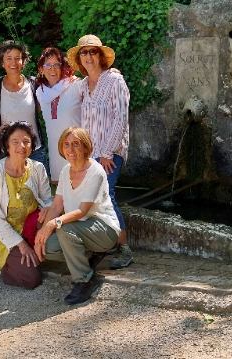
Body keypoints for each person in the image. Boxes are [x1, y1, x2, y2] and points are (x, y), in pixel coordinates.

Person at [67, 34, 133, 269]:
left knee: (108, 195)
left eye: (92, 51)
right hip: (90, 154)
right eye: (83, 53)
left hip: (110, 152)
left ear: (101, 56)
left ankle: (124, 248)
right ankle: (101, 245)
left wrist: (107, 152)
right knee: (90, 199)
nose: (88, 56)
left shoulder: (115, 81)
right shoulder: (83, 85)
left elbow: (121, 118)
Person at [35, 127, 119, 305]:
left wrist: (53, 223)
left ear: (85, 147)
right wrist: (42, 232)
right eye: (66, 144)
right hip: (78, 229)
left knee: (64, 229)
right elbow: (57, 206)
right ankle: (89, 257)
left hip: (104, 229)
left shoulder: (96, 171)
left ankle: (84, 281)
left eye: (76, 144)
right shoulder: (65, 171)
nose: (70, 149)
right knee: (47, 247)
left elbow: (82, 211)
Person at [0, 122, 53, 289]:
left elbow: (48, 200)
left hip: (30, 226)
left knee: (50, 246)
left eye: (26, 141)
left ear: (32, 145)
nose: (21, 146)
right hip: (1, 231)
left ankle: (21, 256)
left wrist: (48, 208)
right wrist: (21, 244)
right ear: (7, 145)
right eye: (15, 141)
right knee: (31, 279)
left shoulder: (38, 168)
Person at [0, 40, 50, 175]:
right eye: (9, 58)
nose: (14, 62)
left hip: (34, 151)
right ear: (2, 62)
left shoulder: (34, 84)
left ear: (23, 61)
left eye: (18, 58)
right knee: (7, 189)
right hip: (6, 152)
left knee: (39, 188)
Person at [35, 47, 82, 183]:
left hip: (77, 149)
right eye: (48, 65)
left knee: (80, 188)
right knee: (59, 189)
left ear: (62, 67)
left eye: (56, 64)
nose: (52, 69)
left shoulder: (75, 85)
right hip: (55, 152)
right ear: (41, 69)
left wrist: (109, 73)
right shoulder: (40, 93)